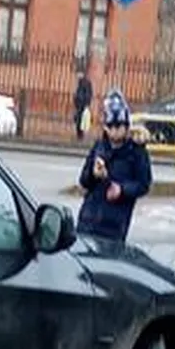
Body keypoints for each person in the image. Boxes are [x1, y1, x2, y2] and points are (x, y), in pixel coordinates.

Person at [77, 90, 152, 242]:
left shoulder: (136, 151)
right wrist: (93, 174)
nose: (115, 130)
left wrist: (122, 189)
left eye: (120, 126)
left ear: (127, 126)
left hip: (114, 224)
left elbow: (144, 184)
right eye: (111, 126)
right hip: (88, 219)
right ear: (105, 127)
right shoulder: (99, 146)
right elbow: (84, 180)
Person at [73, 67, 94, 140]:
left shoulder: (86, 83)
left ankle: (80, 135)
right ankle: (79, 134)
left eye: (79, 73)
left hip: (82, 104)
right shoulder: (80, 82)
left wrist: (86, 103)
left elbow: (88, 94)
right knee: (78, 119)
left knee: (81, 120)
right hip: (79, 104)